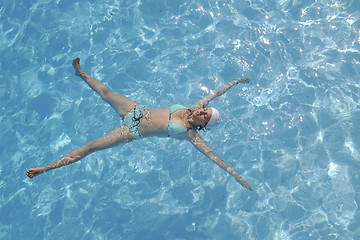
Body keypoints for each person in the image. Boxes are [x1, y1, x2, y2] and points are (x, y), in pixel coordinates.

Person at [26, 57, 253, 191]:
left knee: (90, 147)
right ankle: (81, 73)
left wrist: (236, 176)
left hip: (132, 130)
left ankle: (44, 168)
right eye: (205, 109)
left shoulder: (191, 135)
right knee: (105, 92)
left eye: (206, 114)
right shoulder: (193, 107)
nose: (203, 110)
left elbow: (214, 158)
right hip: (136, 109)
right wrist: (235, 82)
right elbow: (214, 93)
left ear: (204, 125)